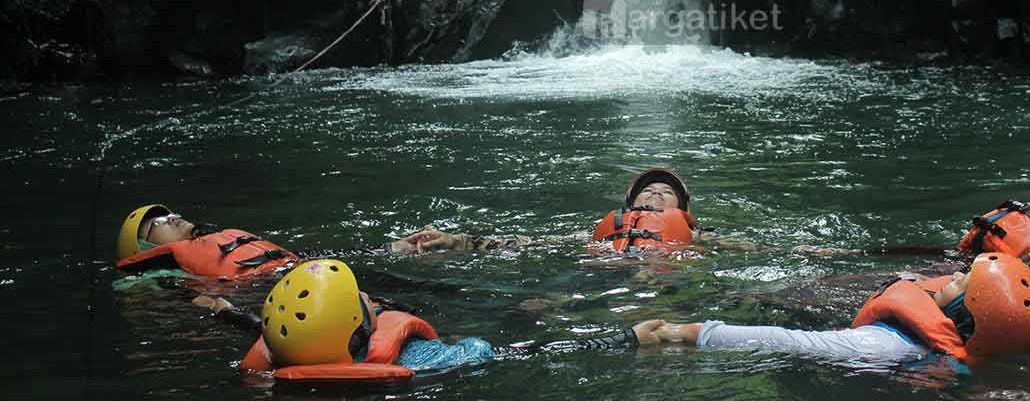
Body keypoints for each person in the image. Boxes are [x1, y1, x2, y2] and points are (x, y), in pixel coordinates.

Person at [196, 259, 644, 384]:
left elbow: (268, 329)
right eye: (362, 301)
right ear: (356, 330)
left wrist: (225, 311)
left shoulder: (288, 351)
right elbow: (528, 353)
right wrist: (626, 336)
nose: (371, 299)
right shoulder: (425, 359)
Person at [632, 253, 1030, 367]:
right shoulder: (964, 348)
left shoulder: (884, 346)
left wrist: (683, 333)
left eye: (958, 283)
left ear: (965, 311)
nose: (945, 280)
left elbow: (791, 343)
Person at [392, 167, 717, 255]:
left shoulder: (698, 236)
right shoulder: (601, 233)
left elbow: (753, 250)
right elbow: (531, 243)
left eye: (665, 192)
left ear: (684, 208)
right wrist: (457, 241)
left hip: (668, 283)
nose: (655, 194)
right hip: (608, 278)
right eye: (648, 190)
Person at [115, 204, 297, 279]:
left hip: (289, 270)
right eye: (157, 223)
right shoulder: (166, 277)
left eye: (169, 215)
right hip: (256, 290)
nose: (170, 219)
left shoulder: (221, 238)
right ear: (145, 248)